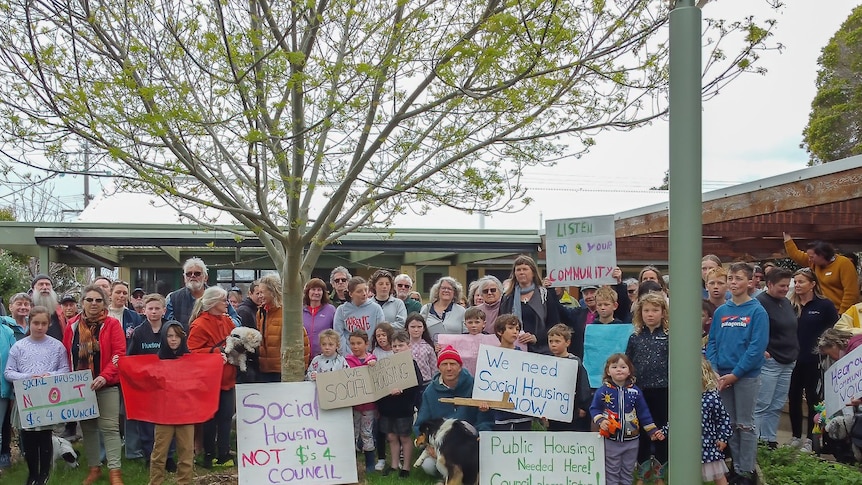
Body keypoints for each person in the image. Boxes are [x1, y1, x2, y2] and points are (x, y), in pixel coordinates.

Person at [705, 262, 769, 485]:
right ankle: (734, 467)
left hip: (746, 376)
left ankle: (746, 470)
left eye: (738, 278)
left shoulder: (757, 311)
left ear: (750, 282)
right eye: (730, 278)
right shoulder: (722, 311)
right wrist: (713, 369)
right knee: (728, 424)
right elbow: (712, 341)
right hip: (721, 376)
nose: (733, 283)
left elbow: (756, 347)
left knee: (745, 424)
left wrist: (737, 374)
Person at [63, 285, 127, 485]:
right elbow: (67, 355)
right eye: (89, 300)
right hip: (80, 387)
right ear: (82, 302)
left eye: (98, 300)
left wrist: (105, 376)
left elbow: (119, 354)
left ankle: (115, 472)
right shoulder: (72, 326)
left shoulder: (112, 324)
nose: (93, 304)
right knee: (88, 429)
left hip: (106, 384)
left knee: (110, 428)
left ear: (104, 303)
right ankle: (94, 468)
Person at [5, 306, 70, 485]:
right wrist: (28, 376)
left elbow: (65, 369)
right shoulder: (19, 346)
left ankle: (44, 474)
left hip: (48, 397)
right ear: (29, 323)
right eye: (36, 323)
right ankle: (32, 473)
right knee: (28, 437)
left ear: (49, 324)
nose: (39, 327)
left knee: (44, 435)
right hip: (26, 398)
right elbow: (9, 372)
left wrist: (49, 376)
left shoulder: (57, 346)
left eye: (43, 324)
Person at [414, 346, 492, 477]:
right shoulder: (430, 392)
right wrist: (430, 446)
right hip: (443, 443)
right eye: (444, 364)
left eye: (453, 364)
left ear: (460, 366)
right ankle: (451, 473)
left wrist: (482, 434)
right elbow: (421, 424)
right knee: (428, 466)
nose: (449, 368)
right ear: (439, 368)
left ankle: (462, 473)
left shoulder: (475, 386)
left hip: (467, 441)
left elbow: (484, 418)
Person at [590, 353, 664, 485]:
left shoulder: (635, 392)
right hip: (611, 439)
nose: (619, 369)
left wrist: (652, 431)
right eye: (615, 367)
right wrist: (601, 421)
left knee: (627, 472)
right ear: (608, 371)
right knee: (611, 472)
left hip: (632, 440)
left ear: (629, 370)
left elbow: (644, 413)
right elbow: (594, 409)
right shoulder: (603, 391)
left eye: (623, 367)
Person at [787, 268, 838, 452]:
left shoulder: (824, 305)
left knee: (812, 399)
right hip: (792, 359)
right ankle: (795, 436)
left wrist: (825, 349)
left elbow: (834, 331)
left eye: (801, 281)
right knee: (793, 397)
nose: (797, 285)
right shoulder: (790, 305)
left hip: (814, 360)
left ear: (812, 284)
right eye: (795, 281)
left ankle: (811, 438)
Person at [188, 286, 236, 469]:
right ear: (214, 303)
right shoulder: (199, 324)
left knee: (225, 417)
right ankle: (209, 455)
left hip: (228, 377)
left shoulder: (227, 321)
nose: (227, 303)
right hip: (209, 381)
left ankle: (223, 454)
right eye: (224, 300)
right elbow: (192, 352)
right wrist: (217, 352)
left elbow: (235, 339)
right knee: (209, 419)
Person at [625, 293, 670, 485]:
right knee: (642, 432)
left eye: (655, 310)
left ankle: (660, 474)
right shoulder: (635, 337)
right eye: (646, 311)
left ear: (663, 313)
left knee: (661, 431)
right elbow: (628, 362)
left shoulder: (669, 336)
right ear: (640, 313)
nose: (650, 314)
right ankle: (643, 473)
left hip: (663, 390)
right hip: (640, 391)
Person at [126, 294, 173, 470]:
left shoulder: (172, 329)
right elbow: (131, 358)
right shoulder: (138, 332)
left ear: (164, 310)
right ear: (144, 311)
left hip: (168, 384)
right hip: (146, 385)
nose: (154, 312)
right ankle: (150, 456)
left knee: (169, 421)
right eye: (150, 308)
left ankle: (168, 456)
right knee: (146, 423)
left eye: (157, 308)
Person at [754, 268, 798, 449]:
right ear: (769, 284)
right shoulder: (759, 303)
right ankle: (756, 442)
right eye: (781, 285)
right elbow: (754, 330)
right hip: (771, 361)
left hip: (788, 360)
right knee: (762, 403)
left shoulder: (786, 302)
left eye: (788, 285)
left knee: (777, 403)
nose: (785, 289)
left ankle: (770, 439)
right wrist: (761, 350)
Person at [148, 321, 194, 485]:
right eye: (169, 336)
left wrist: (220, 360)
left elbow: (204, 375)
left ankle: (184, 482)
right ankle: (155, 482)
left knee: (186, 453)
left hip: (186, 414)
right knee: (159, 454)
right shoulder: (156, 361)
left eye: (177, 336)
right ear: (163, 337)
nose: (173, 340)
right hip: (164, 415)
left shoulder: (190, 360)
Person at [376, 330, 420, 477]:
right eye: (394, 346)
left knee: (404, 437)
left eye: (401, 345)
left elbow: (417, 384)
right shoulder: (386, 365)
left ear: (408, 346)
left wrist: (402, 390)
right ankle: (394, 465)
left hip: (404, 408)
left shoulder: (412, 364)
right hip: (387, 409)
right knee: (391, 437)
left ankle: (406, 467)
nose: (397, 348)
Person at [784, 233, 859, 313]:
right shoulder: (814, 263)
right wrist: (786, 234)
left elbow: (851, 292)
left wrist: (842, 314)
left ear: (822, 255)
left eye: (811, 257)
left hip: (838, 311)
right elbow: (795, 254)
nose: (809, 259)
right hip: (821, 309)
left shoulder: (843, 263)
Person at [255, 274, 310, 382]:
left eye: (262, 292)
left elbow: (302, 341)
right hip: (265, 370)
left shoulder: (287, 312)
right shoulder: (261, 312)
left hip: (283, 370)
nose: (259, 296)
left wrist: (301, 368)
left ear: (273, 291)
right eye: (258, 293)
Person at [499, 255, 560, 354]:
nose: (521, 272)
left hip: (540, 349)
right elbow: (500, 323)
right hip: (513, 349)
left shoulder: (544, 295)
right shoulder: (507, 297)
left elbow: (554, 324)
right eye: (518, 270)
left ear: (533, 273)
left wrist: (535, 337)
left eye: (525, 269)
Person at [166, 257, 240, 329]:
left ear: (205, 277)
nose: (192, 276)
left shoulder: (218, 296)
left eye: (197, 273)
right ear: (184, 278)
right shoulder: (173, 298)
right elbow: (168, 326)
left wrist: (224, 323)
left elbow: (236, 320)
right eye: (188, 274)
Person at [544, 324, 591, 432]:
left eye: (557, 341)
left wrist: (583, 406)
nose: (553, 344)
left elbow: (582, 385)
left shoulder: (575, 362)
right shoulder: (546, 363)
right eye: (551, 341)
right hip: (553, 412)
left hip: (572, 412)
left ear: (567, 342)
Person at [491, 314, 534, 431]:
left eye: (517, 329)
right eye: (511, 328)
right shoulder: (491, 357)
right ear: (500, 331)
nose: (515, 332)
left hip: (522, 413)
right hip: (501, 413)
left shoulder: (523, 357)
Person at [345, 330, 378, 473]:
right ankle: (350, 463)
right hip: (352, 406)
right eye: (352, 343)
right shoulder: (346, 361)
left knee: (367, 433)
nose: (355, 346)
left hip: (369, 406)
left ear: (366, 344)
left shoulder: (373, 360)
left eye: (359, 343)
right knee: (352, 433)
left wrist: (373, 365)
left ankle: (370, 463)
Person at [333, 276, 385, 355]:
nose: (364, 293)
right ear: (350, 294)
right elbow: (338, 335)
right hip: (349, 355)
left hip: (370, 355)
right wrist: (346, 354)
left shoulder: (376, 308)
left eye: (365, 290)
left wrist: (371, 353)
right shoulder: (341, 310)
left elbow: (380, 332)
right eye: (359, 291)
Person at [701, 358, 733, 485]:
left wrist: (723, 438)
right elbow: (677, 419)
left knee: (718, 475)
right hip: (689, 447)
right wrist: (664, 431)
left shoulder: (711, 397)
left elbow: (723, 418)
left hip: (709, 446)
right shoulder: (684, 398)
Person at [406, 314, 437, 410]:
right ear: (407, 328)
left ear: (424, 328)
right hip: (408, 385)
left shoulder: (428, 346)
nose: (416, 330)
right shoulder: (403, 346)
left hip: (425, 384)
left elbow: (434, 367)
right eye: (413, 327)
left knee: (424, 409)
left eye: (419, 327)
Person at [303, 278, 336, 357]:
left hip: (324, 356)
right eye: (313, 289)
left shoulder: (331, 310)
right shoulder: (300, 311)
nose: (316, 292)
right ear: (308, 292)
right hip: (303, 356)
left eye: (319, 290)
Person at [29, 274, 67, 341]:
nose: (45, 287)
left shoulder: (60, 311)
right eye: (41, 284)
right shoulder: (28, 310)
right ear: (33, 289)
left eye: (47, 284)